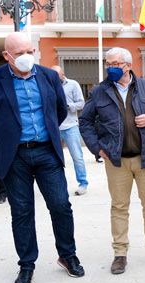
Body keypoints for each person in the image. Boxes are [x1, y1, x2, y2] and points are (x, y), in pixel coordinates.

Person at [0, 32, 85, 283]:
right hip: (14, 156)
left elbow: (57, 109)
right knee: (21, 212)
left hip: (46, 152)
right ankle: (26, 265)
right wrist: (3, 140)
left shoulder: (48, 76)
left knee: (60, 205)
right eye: (19, 53)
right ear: (7, 56)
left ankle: (67, 255)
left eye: (29, 52)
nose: (26, 57)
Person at [79, 47, 145, 274]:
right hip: (116, 161)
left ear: (128, 64)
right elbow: (85, 122)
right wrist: (97, 149)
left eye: (115, 64)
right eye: (108, 64)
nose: (111, 68)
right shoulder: (99, 91)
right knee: (119, 207)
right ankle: (120, 253)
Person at [51, 65, 88, 196]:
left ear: (62, 74)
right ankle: (57, 186)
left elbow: (81, 103)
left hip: (70, 126)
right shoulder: (48, 85)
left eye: (58, 76)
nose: (55, 78)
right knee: (53, 159)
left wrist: (67, 106)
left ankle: (83, 183)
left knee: (77, 157)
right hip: (54, 128)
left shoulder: (73, 84)